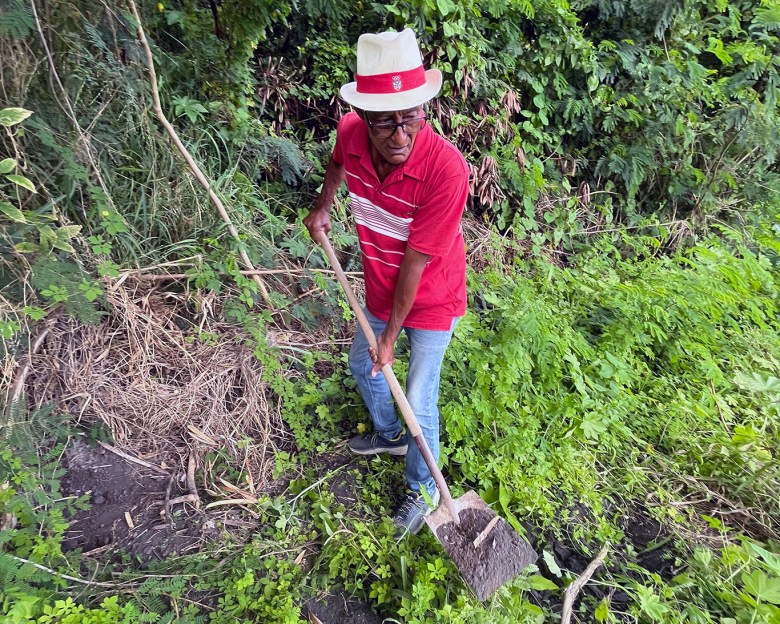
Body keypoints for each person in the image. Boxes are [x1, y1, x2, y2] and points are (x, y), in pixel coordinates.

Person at [303, 28, 469, 539]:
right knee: (361, 362)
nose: (399, 137)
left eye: (409, 121)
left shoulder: (446, 171)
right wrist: (324, 205)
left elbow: (414, 269)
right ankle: (390, 435)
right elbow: (337, 162)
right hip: (379, 287)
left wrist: (391, 339)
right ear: (366, 119)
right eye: (385, 125)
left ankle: (422, 490)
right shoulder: (352, 133)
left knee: (418, 397)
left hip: (432, 298)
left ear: (423, 111)